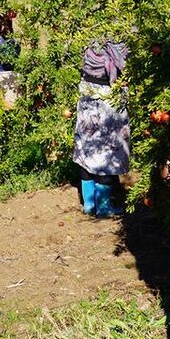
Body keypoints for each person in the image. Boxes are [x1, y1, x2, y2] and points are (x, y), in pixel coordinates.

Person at [73, 40, 131, 217]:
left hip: (87, 91)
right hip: (109, 95)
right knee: (107, 151)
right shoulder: (117, 39)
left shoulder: (88, 36)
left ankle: (89, 203)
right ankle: (104, 207)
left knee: (87, 147)